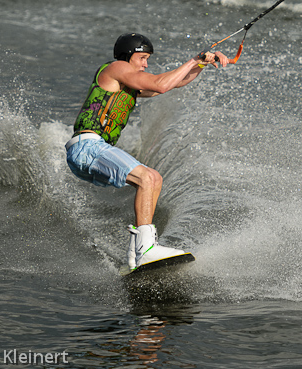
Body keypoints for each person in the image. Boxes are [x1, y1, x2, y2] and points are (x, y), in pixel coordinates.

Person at [66, 33, 229, 271]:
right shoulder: (116, 68)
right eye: (142, 58)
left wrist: (202, 63)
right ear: (128, 56)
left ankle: (135, 255)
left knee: (154, 180)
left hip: (92, 150)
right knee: (147, 178)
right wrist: (194, 60)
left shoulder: (128, 84)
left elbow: (173, 82)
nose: (146, 64)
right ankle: (146, 250)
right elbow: (160, 85)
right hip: (87, 146)